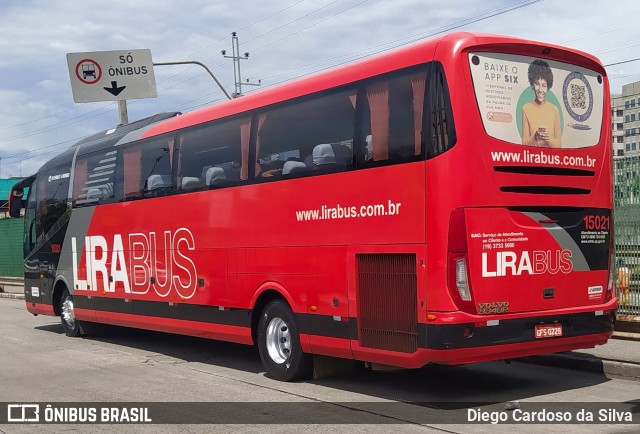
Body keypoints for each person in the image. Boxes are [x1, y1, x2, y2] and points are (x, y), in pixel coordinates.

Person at [521, 60, 562, 148]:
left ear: (548, 87)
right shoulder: (526, 108)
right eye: (537, 84)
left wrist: (548, 139)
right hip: (532, 158)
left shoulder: (554, 110)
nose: (540, 90)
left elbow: (559, 145)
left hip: (551, 159)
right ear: (532, 84)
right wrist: (534, 137)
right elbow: (524, 144)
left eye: (544, 85)